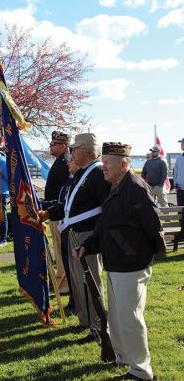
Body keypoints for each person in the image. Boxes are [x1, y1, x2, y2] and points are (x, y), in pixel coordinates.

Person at [76, 142, 166, 381]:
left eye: (107, 163)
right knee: (116, 318)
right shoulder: (115, 186)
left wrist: (142, 255)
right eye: (103, 161)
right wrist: (88, 245)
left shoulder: (135, 188)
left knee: (130, 319)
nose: (102, 167)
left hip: (132, 265)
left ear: (124, 165)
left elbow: (153, 226)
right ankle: (123, 357)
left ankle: (141, 370)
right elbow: (105, 225)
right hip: (116, 263)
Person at [46, 133, 109, 344]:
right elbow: (70, 204)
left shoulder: (98, 173)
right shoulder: (82, 173)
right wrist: (48, 213)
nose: (71, 153)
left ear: (87, 151)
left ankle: (98, 326)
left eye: (75, 149)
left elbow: (104, 207)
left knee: (90, 281)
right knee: (77, 281)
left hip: (87, 234)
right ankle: (86, 320)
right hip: (74, 232)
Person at [44, 131, 71, 294]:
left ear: (63, 146)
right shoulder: (60, 161)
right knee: (58, 248)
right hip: (55, 212)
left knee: (61, 250)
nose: (50, 147)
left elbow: (65, 190)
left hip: (60, 213)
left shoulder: (65, 162)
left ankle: (64, 285)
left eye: (53, 144)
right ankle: (61, 282)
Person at [173, 137, 184, 206]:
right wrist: (175, 183)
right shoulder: (178, 158)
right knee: (180, 210)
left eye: (182, 143)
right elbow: (175, 172)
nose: (181, 145)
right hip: (180, 188)